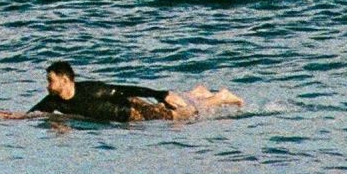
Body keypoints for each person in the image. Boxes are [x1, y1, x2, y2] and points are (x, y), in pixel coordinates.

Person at [23, 61, 239, 122]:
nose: (47, 85)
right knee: (171, 111)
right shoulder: (52, 101)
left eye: (50, 81)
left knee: (179, 116)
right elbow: (30, 115)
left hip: (132, 109)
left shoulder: (93, 90)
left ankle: (220, 98)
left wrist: (159, 93)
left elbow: (125, 89)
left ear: (64, 80)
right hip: (126, 122)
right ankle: (197, 92)